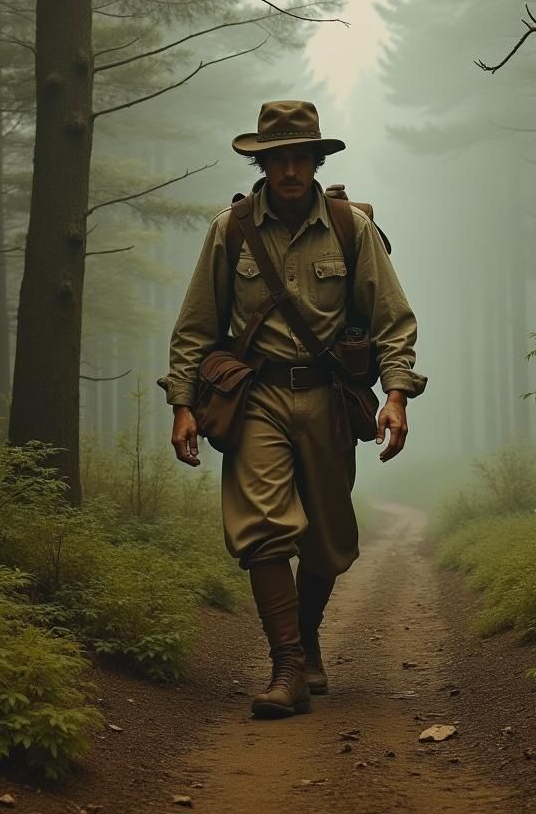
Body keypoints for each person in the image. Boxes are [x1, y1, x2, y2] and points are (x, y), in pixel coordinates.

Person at [161, 99, 426, 719]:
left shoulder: (349, 228)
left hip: (330, 397)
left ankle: (306, 641)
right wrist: (183, 404)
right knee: (263, 526)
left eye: (299, 156)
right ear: (262, 161)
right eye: (277, 158)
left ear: (315, 159)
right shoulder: (229, 230)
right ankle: (286, 667)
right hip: (257, 397)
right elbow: (196, 325)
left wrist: (395, 396)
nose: (288, 169)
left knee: (328, 538)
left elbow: (392, 317)